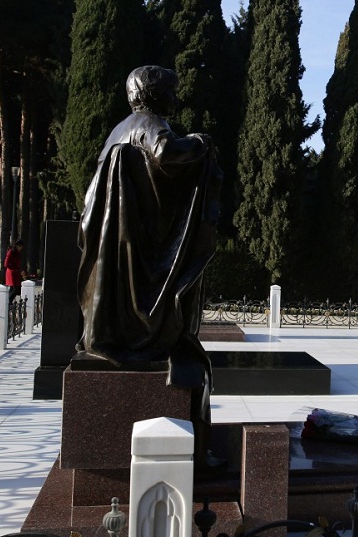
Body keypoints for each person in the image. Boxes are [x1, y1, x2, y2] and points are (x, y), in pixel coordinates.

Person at [75, 65, 222, 466]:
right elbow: (166, 154)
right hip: (139, 257)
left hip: (121, 253)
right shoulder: (149, 124)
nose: (176, 99)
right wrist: (199, 142)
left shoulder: (119, 129)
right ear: (155, 95)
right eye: (171, 92)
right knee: (189, 352)